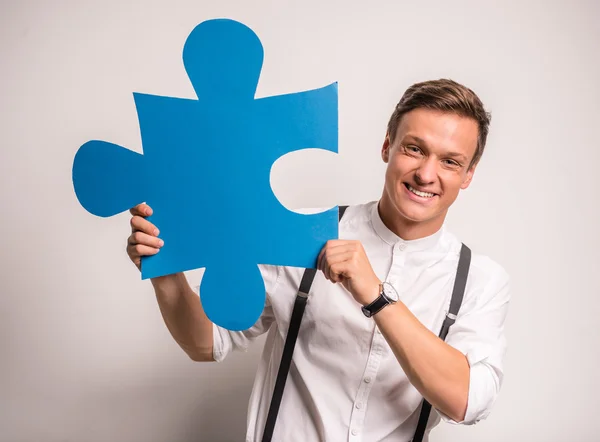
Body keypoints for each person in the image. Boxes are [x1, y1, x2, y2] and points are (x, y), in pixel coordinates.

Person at [126, 79, 510, 441]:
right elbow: (206, 343)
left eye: (450, 161)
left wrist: (376, 296)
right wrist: (164, 269)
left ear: (468, 175)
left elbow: (467, 401)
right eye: (414, 149)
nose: (426, 174)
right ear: (387, 146)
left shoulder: (480, 281)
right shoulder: (301, 232)